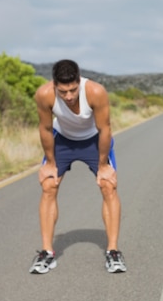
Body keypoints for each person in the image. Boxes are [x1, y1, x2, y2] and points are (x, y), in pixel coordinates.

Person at [29, 59, 127, 274]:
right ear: (55, 85)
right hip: (62, 140)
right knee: (48, 185)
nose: (69, 96)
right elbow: (45, 129)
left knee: (108, 185)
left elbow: (105, 130)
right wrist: (50, 163)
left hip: (93, 140)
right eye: (63, 92)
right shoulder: (44, 94)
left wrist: (103, 165)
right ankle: (47, 253)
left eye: (73, 90)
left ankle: (113, 251)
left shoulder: (95, 92)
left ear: (79, 82)